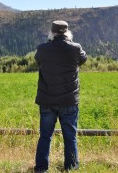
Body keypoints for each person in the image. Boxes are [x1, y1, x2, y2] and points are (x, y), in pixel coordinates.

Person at [34, 20, 87, 172]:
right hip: (69, 100)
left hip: (47, 100)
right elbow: (83, 59)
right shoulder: (76, 48)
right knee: (70, 137)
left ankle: (41, 168)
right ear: (67, 32)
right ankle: (70, 168)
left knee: (45, 136)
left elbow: (38, 60)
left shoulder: (42, 49)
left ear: (52, 32)